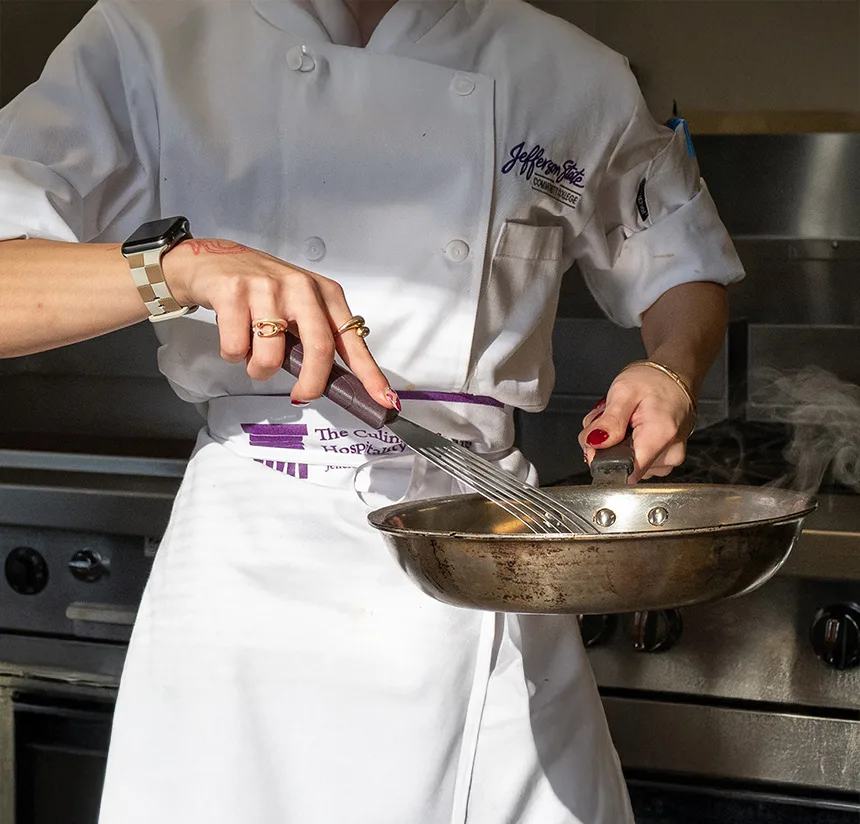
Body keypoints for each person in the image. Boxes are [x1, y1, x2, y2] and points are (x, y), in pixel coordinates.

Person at [0, 1, 743, 822]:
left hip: (483, 546)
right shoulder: (151, 37)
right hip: (249, 560)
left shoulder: (570, 72)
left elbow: (679, 262)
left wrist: (670, 370)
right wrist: (179, 267)